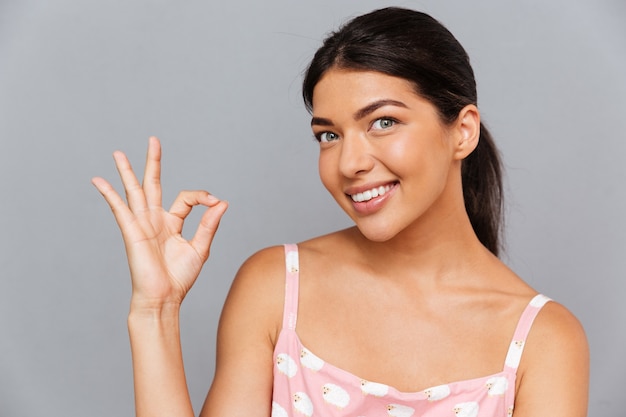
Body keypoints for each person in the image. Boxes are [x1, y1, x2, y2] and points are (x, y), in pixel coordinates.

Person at [92, 7, 589, 417]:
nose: (349, 163)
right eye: (328, 135)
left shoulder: (544, 343)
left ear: (462, 132)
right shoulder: (274, 286)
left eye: (383, 122)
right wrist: (155, 311)